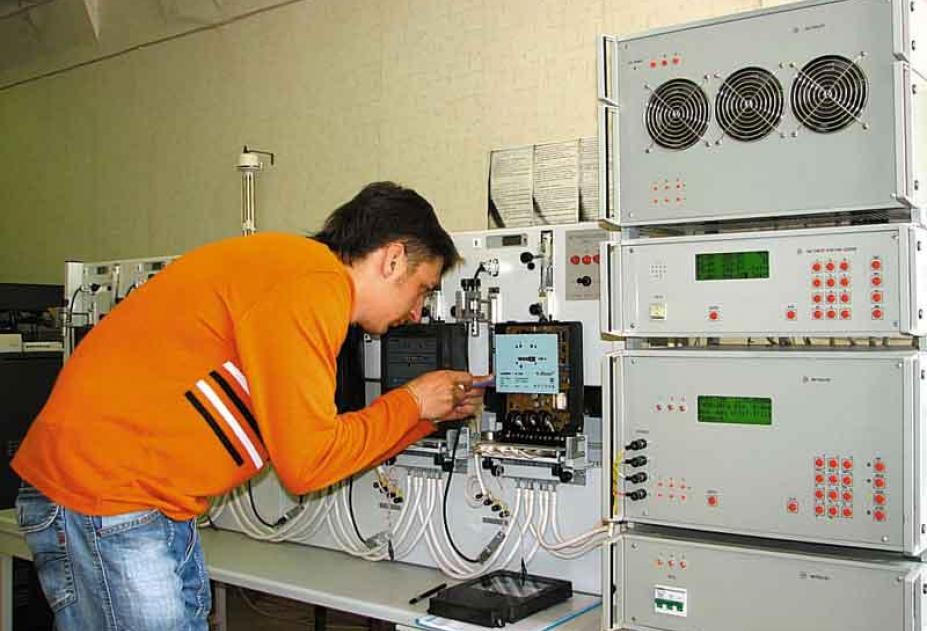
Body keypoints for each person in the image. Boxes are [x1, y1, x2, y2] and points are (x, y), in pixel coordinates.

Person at [11, 181, 486, 630]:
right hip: (108, 493)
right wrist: (412, 403)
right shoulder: (312, 282)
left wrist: (423, 417)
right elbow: (308, 463)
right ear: (393, 259)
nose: (417, 312)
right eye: (423, 288)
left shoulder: (293, 273)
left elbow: (312, 445)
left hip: (141, 498)